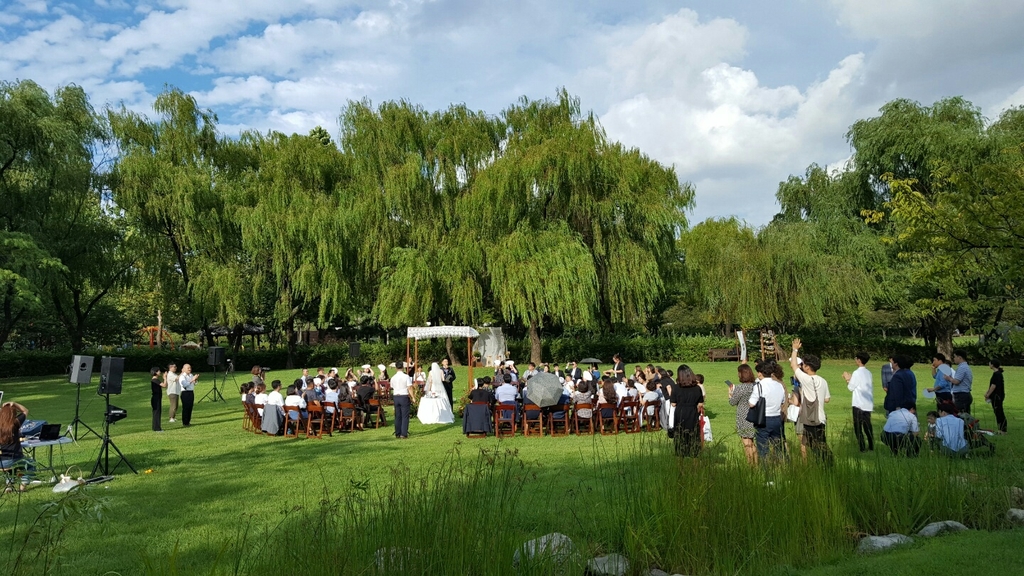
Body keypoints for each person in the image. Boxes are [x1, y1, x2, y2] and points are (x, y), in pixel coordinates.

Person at [790, 339, 831, 463]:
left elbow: (793, 365)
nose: (801, 366)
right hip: (821, 417)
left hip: (811, 419)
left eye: (803, 364)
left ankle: (826, 465)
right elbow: (827, 399)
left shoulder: (807, 380)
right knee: (821, 443)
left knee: (815, 447)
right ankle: (827, 465)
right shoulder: (823, 380)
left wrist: (795, 349)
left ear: (807, 367)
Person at [749, 360, 787, 463]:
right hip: (777, 418)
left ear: (760, 373)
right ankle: (782, 466)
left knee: (763, 448)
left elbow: (752, 403)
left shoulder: (759, 386)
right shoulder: (779, 385)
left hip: (763, 419)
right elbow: (783, 401)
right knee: (778, 445)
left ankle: (766, 470)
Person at [727, 363, 758, 465]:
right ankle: (756, 464)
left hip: (743, 416)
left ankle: (750, 465)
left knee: (746, 442)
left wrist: (730, 394)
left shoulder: (740, 388)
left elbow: (732, 402)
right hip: (755, 415)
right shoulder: (756, 386)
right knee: (753, 442)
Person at [843, 352, 874, 452]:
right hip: (867, 403)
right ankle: (871, 445)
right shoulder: (868, 373)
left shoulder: (857, 372)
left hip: (858, 403)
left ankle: (862, 447)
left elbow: (851, 387)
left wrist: (847, 379)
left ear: (859, 360)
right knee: (867, 425)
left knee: (858, 427)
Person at [0, 401, 35, 490]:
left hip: (1, 461)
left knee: (11, 468)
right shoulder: (15, 424)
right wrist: (14, 404)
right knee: (31, 464)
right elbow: (25, 411)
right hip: (15, 458)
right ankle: (23, 483)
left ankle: (9, 486)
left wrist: (3, 411)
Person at [671, 365, 704, 458]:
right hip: (692, 412)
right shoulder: (697, 388)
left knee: (680, 436)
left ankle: (680, 461)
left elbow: (673, 403)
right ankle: (694, 461)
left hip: (680, 413)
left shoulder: (676, 387)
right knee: (693, 436)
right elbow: (700, 403)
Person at [945, 350, 974, 414]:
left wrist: (948, 378)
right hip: (964, 394)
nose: (954, 359)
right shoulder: (965, 367)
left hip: (961, 395)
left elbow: (956, 381)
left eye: (955, 357)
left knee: (961, 415)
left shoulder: (962, 368)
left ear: (960, 358)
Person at [391, 362, 412, 439]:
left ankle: (397, 432)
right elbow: (409, 387)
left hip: (396, 396)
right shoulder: (406, 376)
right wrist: (413, 397)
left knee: (398, 416)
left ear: (396, 368)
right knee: (405, 416)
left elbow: (392, 387)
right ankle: (403, 433)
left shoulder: (393, 377)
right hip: (404, 396)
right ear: (403, 368)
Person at [985, 360, 1006, 434]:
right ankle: (1001, 429)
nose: (989, 364)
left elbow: (993, 386)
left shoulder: (997, 374)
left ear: (993, 365)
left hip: (997, 396)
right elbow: (992, 385)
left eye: (990, 363)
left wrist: (988, 394)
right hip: (998, 395)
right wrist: (987, 392)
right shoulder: (997, 374)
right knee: (998, 411)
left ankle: (1002, 429)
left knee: (999, 412)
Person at [150, 366, 165, 432]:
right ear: (155, 372)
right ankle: (157, 428)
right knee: (157, 413)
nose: (160, 372)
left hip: (156, 398)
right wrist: (165, 378)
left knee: (156, 412)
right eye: (159, 371)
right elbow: (164, 385)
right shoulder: (155, 380)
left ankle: (155, 427)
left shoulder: (154, 380)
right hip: (156, 398)